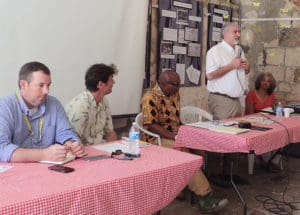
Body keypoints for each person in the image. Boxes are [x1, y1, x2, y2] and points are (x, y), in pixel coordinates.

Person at [141, 70, 229, 213]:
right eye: (175, 85)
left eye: (179, 84)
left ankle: (182, 185)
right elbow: (152, 125)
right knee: (184, 154)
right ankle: (205, 197)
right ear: (163, 83)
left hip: (175, 135)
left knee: (200, 147)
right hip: (155, 139)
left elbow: (176, 119)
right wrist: (176, 137)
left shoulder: (174, 93)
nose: (178, 88)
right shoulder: (149, 97)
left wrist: (187, 133)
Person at [0, 61, 86, 162]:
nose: (46, 91)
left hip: (51, 169)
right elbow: (2, 149)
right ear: (23, 84)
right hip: (17, 172)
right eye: (41, 85)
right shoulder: (5, 107)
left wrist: (71, 143)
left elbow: (65, 132)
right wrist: (43, 154)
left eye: (48, 85)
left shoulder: (54, 104)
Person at [205, 22, 250, 185]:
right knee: (220, 136)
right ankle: (214, 174)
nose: (238, 34)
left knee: (236, 136)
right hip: (221, 100)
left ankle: (230, 173)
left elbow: (244, 71)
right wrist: (231, 66)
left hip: (237, 100)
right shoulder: (215, 52)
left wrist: (247, 67)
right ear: (225, 34)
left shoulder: (239, 50)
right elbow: (210, 76)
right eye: (235, 32)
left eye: (239, 31)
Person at [65, 64, 118, 145]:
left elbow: (110, 133)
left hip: (99, 149)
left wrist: (117, 152)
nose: (114, 82)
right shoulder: (80, 106)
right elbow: (72, 144)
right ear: (100, 85)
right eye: (111, 79)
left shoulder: (104, 101)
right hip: (81, 152)